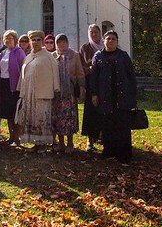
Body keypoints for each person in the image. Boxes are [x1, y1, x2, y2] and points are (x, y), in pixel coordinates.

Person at [89, 30, 137, 164]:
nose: (110, 41)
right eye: (108, 39)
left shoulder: (123, 56)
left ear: (117, 42)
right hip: (105, 96)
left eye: (113, 39)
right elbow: (94, 77)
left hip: (122, 96)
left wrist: (133, 94)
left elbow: (131, 76)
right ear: (103, 41)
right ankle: (108, 151)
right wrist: (94, 94)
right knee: (107, 125)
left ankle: (124, 154)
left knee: (123, 125)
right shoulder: (98, 56)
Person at [15, 30, 59, 152]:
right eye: (33, 40)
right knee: (32, 117)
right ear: (30, 41)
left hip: (43, 92)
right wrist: (21, 89)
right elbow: (23, 75)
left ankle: (43, 144)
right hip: (29, 92)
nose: (36, 42)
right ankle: (35, 143)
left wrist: (56, 88)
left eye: (38, 40)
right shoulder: (28, 57)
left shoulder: (48, 56)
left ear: (42, 41)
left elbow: (55, 72)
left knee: (41, 117)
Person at [52, 34, 85, 153]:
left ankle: (70, 143)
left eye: (64, 42)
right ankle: (60, 143)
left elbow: (80, 73)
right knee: (58, 118)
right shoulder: (53, 56)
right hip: (56, 93)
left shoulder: (74, 55)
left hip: (69, 92)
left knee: (69, 118)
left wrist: (82, 88)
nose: (62, 44)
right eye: (59, 42)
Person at [0, 29, 26, 145]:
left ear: (15, 40)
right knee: (8, 113)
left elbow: (23, 69)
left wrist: (21, 86)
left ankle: (17, 137)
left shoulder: (19, 52)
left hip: (14, 86)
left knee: (15, 112)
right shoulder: (2, 53)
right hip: (4, 84)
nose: (8, 40)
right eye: (6, 38)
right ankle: (11, 136)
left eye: (10, 38)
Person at [79, 23, 104, 151]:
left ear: (100, 33)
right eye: (91, 32)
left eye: (96, 32)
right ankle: (90, 140)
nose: (94, 34)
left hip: (104, 85)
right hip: (90, 83)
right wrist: (90, 69)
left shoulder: (106, 46)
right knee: (90, 112)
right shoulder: (85, 48)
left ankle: (103, 136)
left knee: (104, 111)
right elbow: (81, 66)